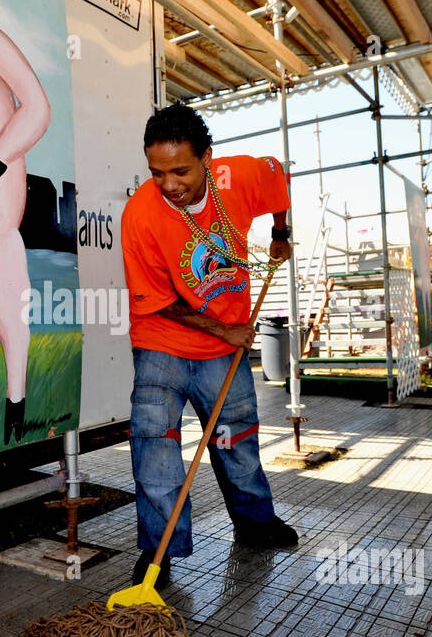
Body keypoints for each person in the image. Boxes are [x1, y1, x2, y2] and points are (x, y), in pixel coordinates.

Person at [120, 103, 299, 588]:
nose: (169, 184)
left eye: (181, 170)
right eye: (157, 172)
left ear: (207, 158)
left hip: (224, 347)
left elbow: (278, 177)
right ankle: (160, 552)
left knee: (236, 435)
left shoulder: (236, 177)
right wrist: (226, 332)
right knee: (155, 449)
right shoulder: (139, 215)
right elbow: (159, 303)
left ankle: (255, 524)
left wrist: (280, 231)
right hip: (163, 342)